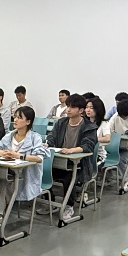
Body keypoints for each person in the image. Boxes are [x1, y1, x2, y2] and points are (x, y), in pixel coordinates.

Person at [0, 106, 50, 234]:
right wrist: (0, 153)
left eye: (19, 118)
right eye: (15, 117)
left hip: (25, 176)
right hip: (9, 172)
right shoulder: (10, 135)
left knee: (1, 182)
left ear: (28, 121)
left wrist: (19, 156)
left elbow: (38, 158)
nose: (15, 120)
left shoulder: (35, 137)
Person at [46, 93, 98, 222]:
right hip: (59, 160)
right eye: (68, 106)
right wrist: (47, 144)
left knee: (69, 176)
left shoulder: (89, 127)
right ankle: (51, 202)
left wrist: (71, 150)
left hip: (79, 164)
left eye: (72, 107)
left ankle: (69, 206)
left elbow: (88, 146)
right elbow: (52, 137)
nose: (68, 109)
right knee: (42, 171)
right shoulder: (61, 122)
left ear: (81, 110)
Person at [87, 96, 111, 166]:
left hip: (97, 155)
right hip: (84, 153)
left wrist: (92, 139)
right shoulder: (84, 122)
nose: (88, 110)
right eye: (86, 107)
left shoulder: (104, 123)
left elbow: (107, 138)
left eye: (91, 108)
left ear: (98, 109)